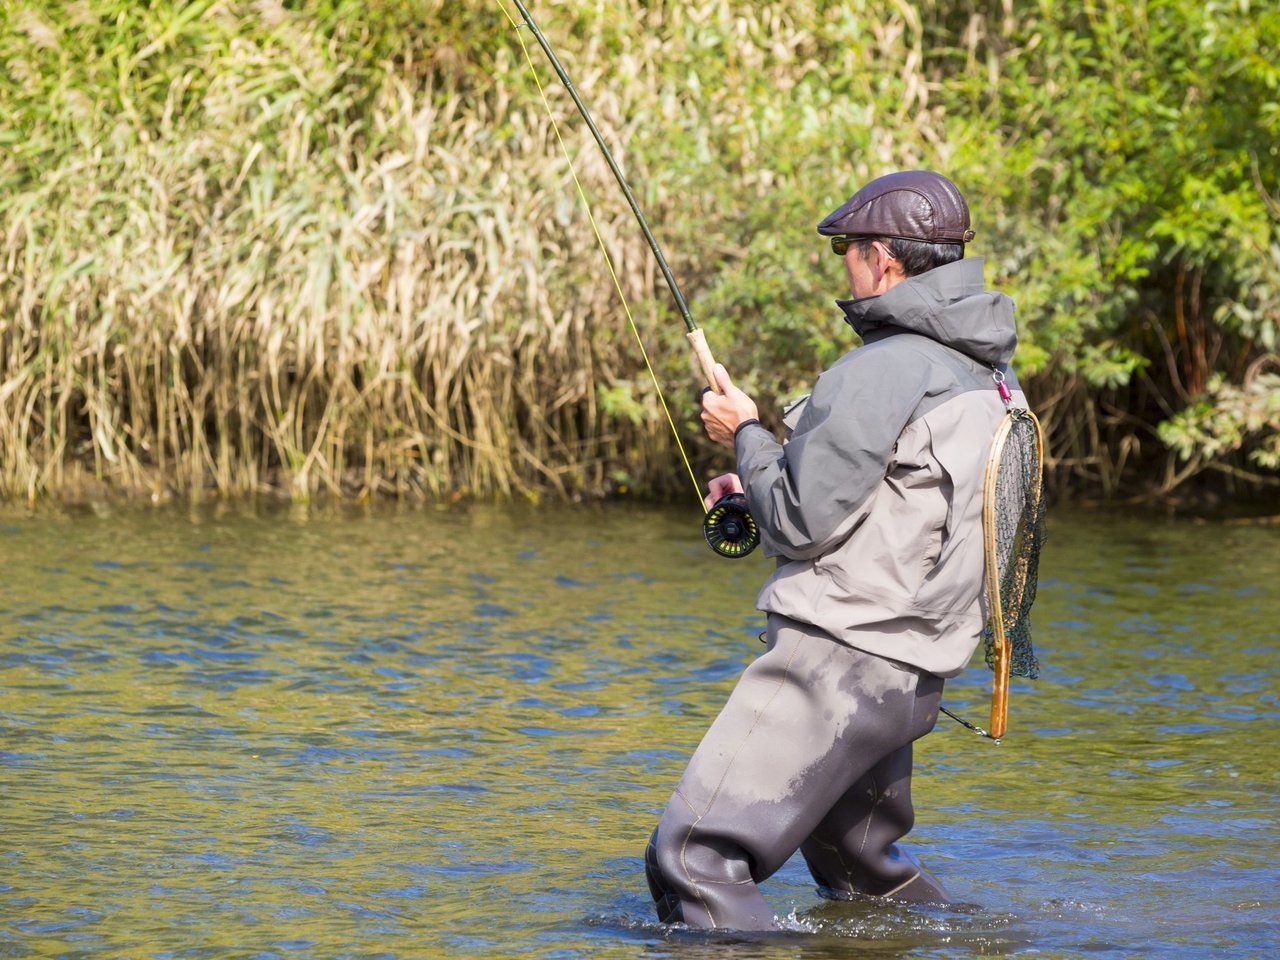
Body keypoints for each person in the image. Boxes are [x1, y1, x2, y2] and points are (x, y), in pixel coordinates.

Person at [644, 170, 1028, 930]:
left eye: (846, 249)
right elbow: (897, 506)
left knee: (694, 861)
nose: (844, 264)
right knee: (861, 878)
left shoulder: (883, 368)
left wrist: (746, 431)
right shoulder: (991, 374)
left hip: (837, 665)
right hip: (910, 682)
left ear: (882, 258)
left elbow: (796, 523)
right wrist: (752, 479)